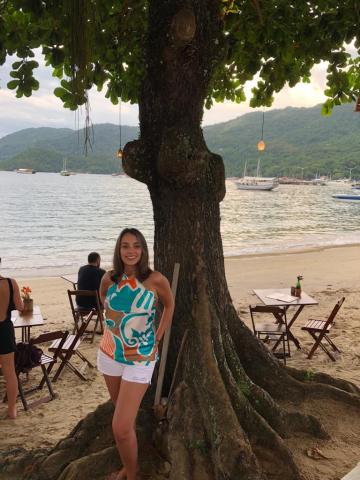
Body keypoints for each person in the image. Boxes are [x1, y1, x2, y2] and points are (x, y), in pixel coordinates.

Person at [98, 228, 174, 480]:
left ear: (143, 250)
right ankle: (128, 467)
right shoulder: (109, 279)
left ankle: (133, 474)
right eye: (125, 246)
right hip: (110, 355)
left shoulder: (155, 280)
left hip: (140, 359)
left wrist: (159, 336)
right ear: (118, 251)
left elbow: (169, 304)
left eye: (136, 246)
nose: (131, 251)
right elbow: (104, 303)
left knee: (119, 427)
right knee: (124, 421)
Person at [0, 257, 23, 419]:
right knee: (9, 373)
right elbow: (20, 307)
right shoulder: (10, 283)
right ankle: (12, 410)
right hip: (5, 330)